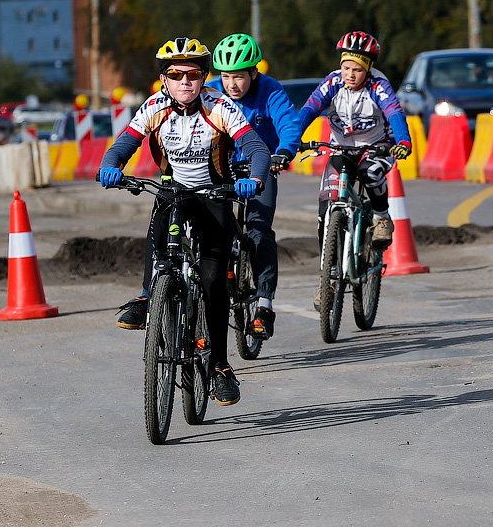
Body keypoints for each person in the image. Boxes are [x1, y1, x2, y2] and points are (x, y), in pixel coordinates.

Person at [99, 37, 270, 406]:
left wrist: (253, 179)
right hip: (175, 190)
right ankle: (148, 297)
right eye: (176, 75)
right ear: (164, 80)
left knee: (212, 282)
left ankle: (221, 366)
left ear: (204, 77)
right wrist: (111, 167)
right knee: (159, 227)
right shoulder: (154, 107)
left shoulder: (220, 106)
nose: (185, 82)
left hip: (215, 195)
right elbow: (123, 144)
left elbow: (257, 148)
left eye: (193, 75)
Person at [295, 31, 412, 309]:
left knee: (372, 174)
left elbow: (394, 112)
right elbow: (310, 109)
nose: (350, 74)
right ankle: (329, 278)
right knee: (326, 210)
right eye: (346, 67)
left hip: (376, 147)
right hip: (340, 149)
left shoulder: (378, 86)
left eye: (357, 69)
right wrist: (291, 139)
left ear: (368, 69)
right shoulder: (333, 82)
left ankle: (382, 217)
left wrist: (403, 140)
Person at [205, 33, 303, 341]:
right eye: (225, 77)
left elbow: (289, 123)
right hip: (222, 168)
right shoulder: (212, 94)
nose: (231, 84)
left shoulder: (270, 90)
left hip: (262, 167)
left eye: (238, 77)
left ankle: (264, 306)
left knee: (259, 230)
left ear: (253, 73)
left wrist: (285, 150)